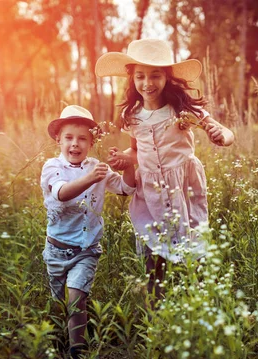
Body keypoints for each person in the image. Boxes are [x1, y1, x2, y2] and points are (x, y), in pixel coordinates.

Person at [95, 38, 235, 307]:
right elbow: (137, 152)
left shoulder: (183, 109)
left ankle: (198, 304)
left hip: (182, 187)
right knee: (153, 252)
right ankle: (156, 312)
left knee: (192, 247)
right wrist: (123, 159)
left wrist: (221, 135)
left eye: (155, 75)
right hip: (151, 192)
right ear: (132, 78)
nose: (148, 82)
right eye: (141, 76)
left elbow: (227, 133)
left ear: (167, 77)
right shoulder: (132, 116)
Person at [40, 105, 135, 359]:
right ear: (58, 140)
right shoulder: (52, 167)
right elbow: (61, 193)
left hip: (86, 249)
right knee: (60, 303)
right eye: (69, 138)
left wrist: (127, 163)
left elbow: (127, 187)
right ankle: (57, 341)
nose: (75, 144)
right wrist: (91, 178)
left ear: (92, 142)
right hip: (56, 250)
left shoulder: (97, 167)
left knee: (76, 299)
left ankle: (78, 352)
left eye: (83, 138)